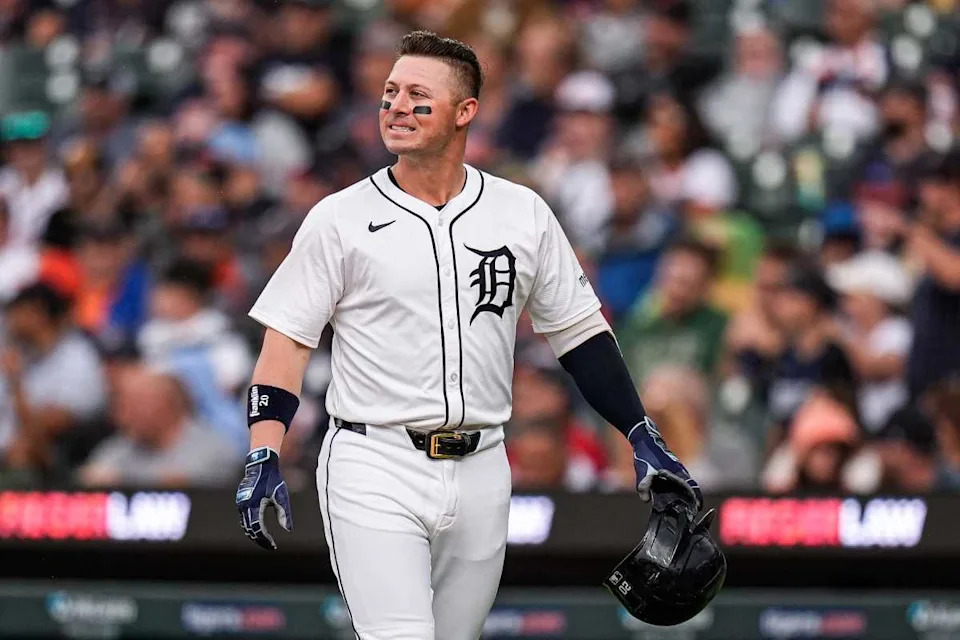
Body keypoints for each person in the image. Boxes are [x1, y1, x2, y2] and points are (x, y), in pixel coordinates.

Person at [235, 31, 710, 640]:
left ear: (465, 112)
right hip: (373, 458)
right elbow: (288, 342)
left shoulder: (521, 211)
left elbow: (581, 336)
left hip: (484, 460)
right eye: (389, 93)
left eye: (417, 95)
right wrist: (264, 448)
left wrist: (639, 432)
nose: (397, 106)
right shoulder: (340, 217)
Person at [78, 364, 241, 488]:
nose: (122, 416)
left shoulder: (215, 451)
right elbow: (92, 476)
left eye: (134, 406)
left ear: (167, 405)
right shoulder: (120, 448)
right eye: (121, 406)